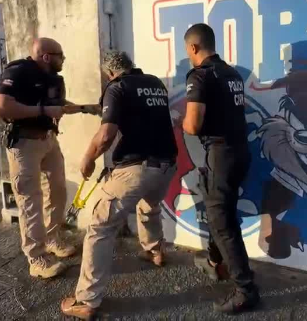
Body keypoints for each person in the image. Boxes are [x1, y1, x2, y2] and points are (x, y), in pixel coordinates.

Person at [61, 50, 178, 319]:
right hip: (166, 165)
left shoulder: (116, 88)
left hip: (137, 168)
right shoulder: (154, 83)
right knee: (149, 205)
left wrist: (88, 158)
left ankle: (87, 300)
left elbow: (106, 135)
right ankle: (155, 251)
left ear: (109, 73)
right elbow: (127, 109)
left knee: (100, 226)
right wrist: (81, 108)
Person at [0, 37, 99, 279]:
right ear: (46, 56)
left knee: (57, 191)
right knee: (30, 200)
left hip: (48, 140)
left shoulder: (51, 77)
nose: (63, 59)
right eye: (60, 55)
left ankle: (52, 238)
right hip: (24, 144)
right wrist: (43, 111)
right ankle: (37, 258)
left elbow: (58, 105)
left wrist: (87, 108)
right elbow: (2, 107)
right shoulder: (18, 71)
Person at [181, 23, 260, 314]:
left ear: (193, 47)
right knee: (219, 211)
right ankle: (216, 261)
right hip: (240, 152)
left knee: (223, 221)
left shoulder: (199, 75)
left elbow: (193, 125)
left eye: (188, 51)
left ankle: (245, 290)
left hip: (221, 154)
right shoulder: (232, 73)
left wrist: (181, 122)